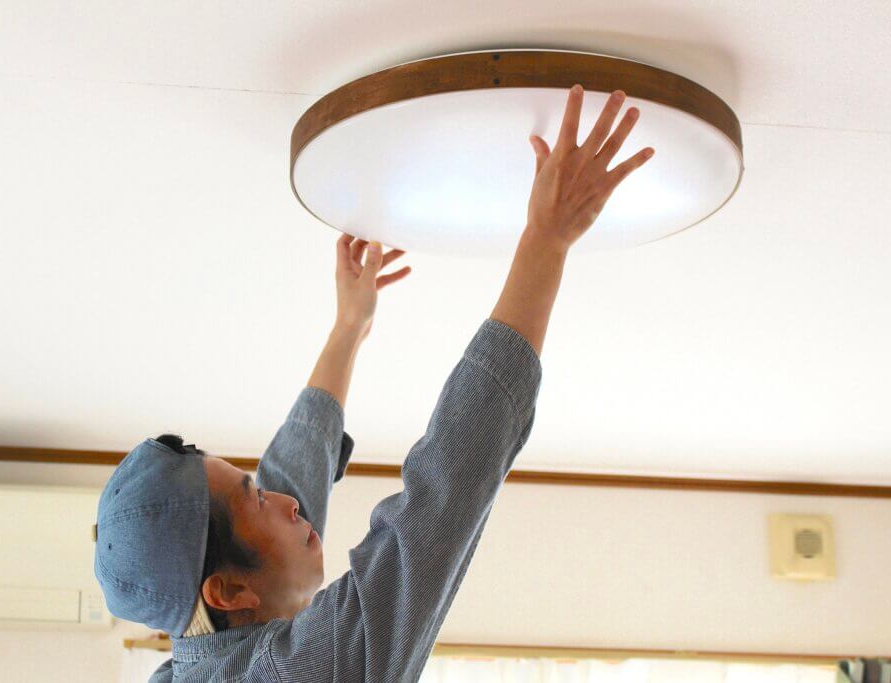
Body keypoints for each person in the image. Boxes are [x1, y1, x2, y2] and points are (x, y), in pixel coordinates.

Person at [93, 83, 654, 682]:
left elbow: (291, 490)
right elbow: (444, 493)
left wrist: (349, 327)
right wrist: (547, 237)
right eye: (255, 498)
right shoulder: (306, 672)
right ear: (228, 590)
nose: (286, 503)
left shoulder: (194, 656)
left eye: (260, 488)